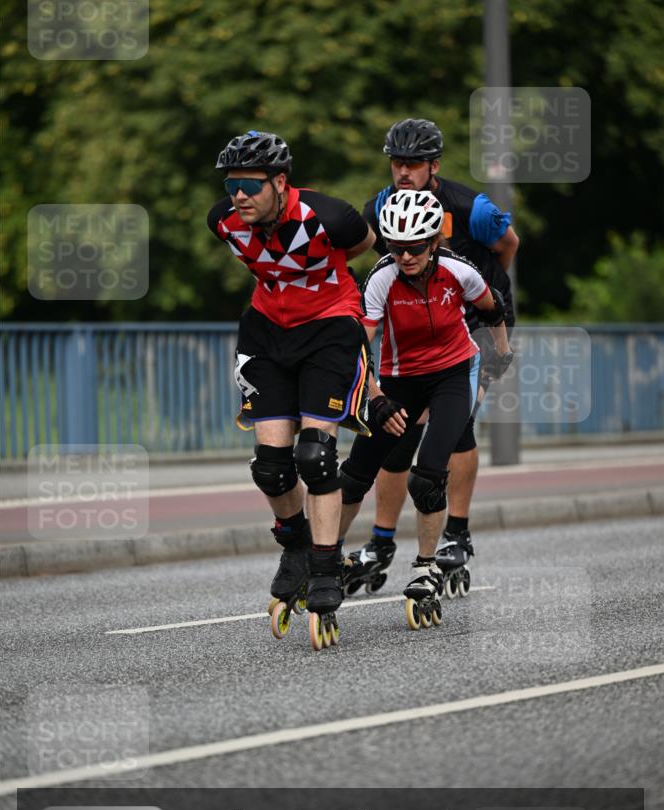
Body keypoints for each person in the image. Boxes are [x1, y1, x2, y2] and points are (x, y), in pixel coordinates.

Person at [207, 130, 375, 621]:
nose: (238, 194)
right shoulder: (223, 221)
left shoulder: (329, 217)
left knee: (315, 456)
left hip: (328, 327)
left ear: (280, 182)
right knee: (271, 466)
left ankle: (325, 569)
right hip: (265, 331)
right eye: (231, 184)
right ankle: (295, 547)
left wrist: (315, 283)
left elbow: (362, 244)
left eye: (250, 185)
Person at [351, 118, 518, 588]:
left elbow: (508, 246)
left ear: (434, 166)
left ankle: (456, 535)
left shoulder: (471, 207)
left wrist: (480, 287)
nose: (403, 172)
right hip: (418, 320)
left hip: (474, 317)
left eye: (414, 164)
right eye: (397, 163)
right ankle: (382, 539)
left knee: (457, 426)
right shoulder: (381, 205)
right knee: (396, 433)